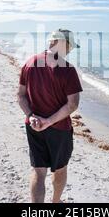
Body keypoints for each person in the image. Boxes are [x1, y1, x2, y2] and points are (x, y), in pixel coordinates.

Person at [17, 29, 83, 203]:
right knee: (59, 169)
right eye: (69, 47)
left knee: (38, 172)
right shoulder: (67, 70)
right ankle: (55, 202)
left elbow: (20, 95)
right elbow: (73, 104)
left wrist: (31, 116)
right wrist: (49, 122)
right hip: (59, 129)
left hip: (34, 126)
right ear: (62, 43)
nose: (69, 51)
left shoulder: (29, 63)